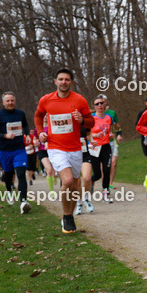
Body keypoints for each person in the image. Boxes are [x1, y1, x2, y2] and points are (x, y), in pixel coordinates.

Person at [35, 68, 95, 234]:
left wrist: (82, 120)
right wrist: (40, 132)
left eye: (67, 79)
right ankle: (66, 215)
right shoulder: (46, 100)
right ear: (55, 81)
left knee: (75, 185)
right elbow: (38, 116)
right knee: (67, 181)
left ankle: (69, 216)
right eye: (60, 79)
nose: (63, 82)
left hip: (75, 148)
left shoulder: (80, 100)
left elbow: (91, 123)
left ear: (71, 82)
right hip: (55, 147)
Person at [0, 92, 32, 214]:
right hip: (5, 150)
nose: (10, 103)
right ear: (3, 102)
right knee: (8, 175)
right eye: (8, 101)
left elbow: (25, 126)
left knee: (21, 173)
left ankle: (23, 202)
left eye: (12, 100)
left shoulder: (20, 114)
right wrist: (5, 136)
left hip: (19, 149)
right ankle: (9, 191)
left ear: (15, 101)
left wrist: (27, 135)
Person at [89, 96, 115, 203]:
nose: (100, 105)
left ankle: (106, 194)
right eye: (97, 104)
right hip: (94, 147)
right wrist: (96, 135)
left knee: (107, 170)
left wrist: (111, 134)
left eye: (101, 103)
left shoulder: (109, 117)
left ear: (104, 104)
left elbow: (110, 130)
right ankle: (92, 180)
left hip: (106, 147)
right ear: (94, 106)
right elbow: (87, 134)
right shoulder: (91, 118)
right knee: (98, 174)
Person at [97, 94, 123, 189]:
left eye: (103, 102)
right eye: (99, 103)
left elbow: (117, 126)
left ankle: (110, 183)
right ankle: (105, 182)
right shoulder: (94, 115)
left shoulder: (112, 113)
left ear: (106, 102)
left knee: (114, 162)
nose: (101, 104)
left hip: (111, 141)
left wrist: (119, 134)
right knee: (103, 164)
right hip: (100, 142)